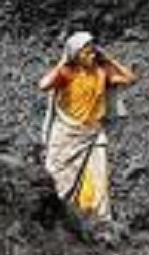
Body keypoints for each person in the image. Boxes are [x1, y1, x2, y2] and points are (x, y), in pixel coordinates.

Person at [38, 32, 137, 222]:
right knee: (60, 179)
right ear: (75, 55)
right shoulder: (67, 73)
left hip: (93, 133)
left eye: (92, 52)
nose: (91, 56)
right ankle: (59, 217)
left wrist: (108, 58)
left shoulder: (101, 72)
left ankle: (100, 219)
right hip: (67, 133)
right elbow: (44, 85)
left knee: (98, 179)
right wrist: (62, 63)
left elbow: (130, 78)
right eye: (86, 53)